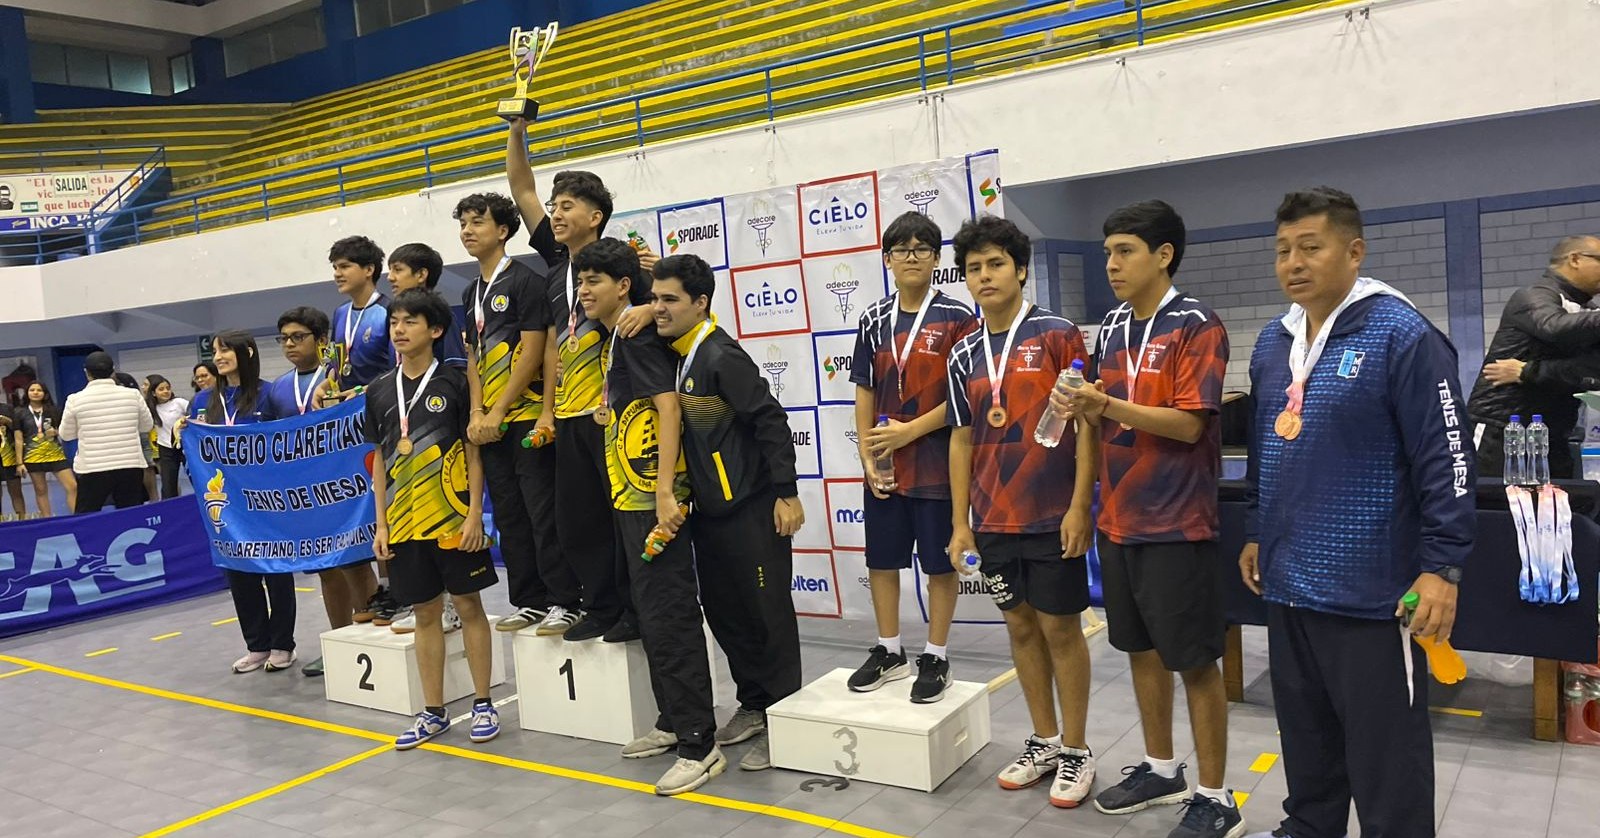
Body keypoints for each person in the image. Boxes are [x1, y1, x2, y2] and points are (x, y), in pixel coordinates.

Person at [1239, 188, 1473, 838]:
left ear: (1354, 251)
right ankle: (1309, 828)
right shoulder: (1273, 341)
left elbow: (1448, 459)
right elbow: (1262, 448)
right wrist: (1256, 528)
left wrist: (1443, 567)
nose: (1293, 263)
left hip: (1374, 594)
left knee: (1385, 757)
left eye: (1310, 247)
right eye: (1283, 250)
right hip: (1289, 583)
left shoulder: (1402, 334)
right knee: (1307, 739)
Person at [1054, 201, 1241, 837]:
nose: (1111, 264)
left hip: (1177, 522)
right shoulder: (1109, 327)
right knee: (1139, 649)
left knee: (1194, 661)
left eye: (1125, 251)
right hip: (1118, 519)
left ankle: (1216, 795)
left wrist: (1105, 404)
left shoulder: (1196, 324)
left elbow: (1188, 425)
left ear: (1163, 255)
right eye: (1108, 252)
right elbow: (1092, 421)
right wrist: (1082, 501)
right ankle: (1162, 768)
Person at [945, 215, 1098, 807]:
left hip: (1051, 511)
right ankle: (1044, 740)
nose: (984, 276)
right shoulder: (963, 352)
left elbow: (1087, 424)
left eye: (995, 264)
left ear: (1020, 270)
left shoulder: (1058, 334)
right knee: (1020, 626)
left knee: (1060, 628)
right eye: (973, 268)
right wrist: (960, 523)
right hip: (992, 517)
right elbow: (961, 437)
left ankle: (1077, 750)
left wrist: (1080, 504)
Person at [579, 239, 724, 794]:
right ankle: (673, 721)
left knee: (669, 616)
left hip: (652, 503)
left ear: (623, 287)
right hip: (629, 499)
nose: (583, 291)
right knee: (651, 613)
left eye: (594, 281)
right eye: (580, 281)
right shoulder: (618, 336)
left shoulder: (636, 337)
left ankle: (700, 744)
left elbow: (668, 408)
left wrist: (665, 492)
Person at [651, 253, 805, 772]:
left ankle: (783, 720)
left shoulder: (720, 355)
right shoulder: (679, 356)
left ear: (700, 303)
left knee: (767, 617)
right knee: (726, 615)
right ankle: (754, 704)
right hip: (710, 514)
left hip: (752, 509)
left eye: (670, 299)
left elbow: (770, 421)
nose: (659, 308)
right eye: (655, 298)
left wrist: (786, 493)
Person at [510, 138, 649, 642]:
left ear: (596, 217)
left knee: (622, 519)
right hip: (569, 417)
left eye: (567, 206)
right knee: (578, 522)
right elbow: (521, 188)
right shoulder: (555, 271)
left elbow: (673, 311)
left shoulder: (624, 267)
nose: (555, 213)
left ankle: (634, 610)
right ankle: (601, 606)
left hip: (614, 417)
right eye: (555, 206)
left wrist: (648, 303)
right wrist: (517, 128)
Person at [848, 211, 979, 702]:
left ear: (936, 259)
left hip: (938, 463)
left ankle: (936, 655)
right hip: (886, 463)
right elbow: (864, 389)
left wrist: (910, 432)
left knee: (939, 566)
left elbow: (964, 396)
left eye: (922, 249)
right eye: (901, 249)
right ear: (887, 259)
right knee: (882, 561)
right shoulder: (873, 318)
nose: (911, 257)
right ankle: (889, 650)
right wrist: (867, 454)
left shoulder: (957, 319)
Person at [368, 289, 501, 750]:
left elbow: (472, 451)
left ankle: (483, 703)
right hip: (404, 523)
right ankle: (433, 712)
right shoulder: (378, 390)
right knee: (425, 613)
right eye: (394, 322)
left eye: (410, 321)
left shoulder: (456, 382)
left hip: (452, 518)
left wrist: (475, 513)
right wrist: (382, 524)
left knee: (468, 606)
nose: (399, 330)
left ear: (435, 329)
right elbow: (380, 460)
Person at [452, 192, 581, 637]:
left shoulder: (526, 282)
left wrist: (501, 409)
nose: (468, 231)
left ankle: (566, 600)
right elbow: (473, 357)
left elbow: (533, 351)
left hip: (524, 417)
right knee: (509, 516)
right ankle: (529, 600)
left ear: (503, 230)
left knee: (542, 512)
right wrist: (476, 411)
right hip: (489, 424)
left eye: (477, 222)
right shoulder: (470, 292)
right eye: (463, 224)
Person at [262, 306, 381, 678]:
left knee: (356, 562)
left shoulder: (339, 377)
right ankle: (339, 644)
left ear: (323, 340)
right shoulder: (279, 388)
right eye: (284, 338)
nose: (289, 345)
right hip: (308, 493)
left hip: (348, 487)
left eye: (298, 337)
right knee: (326, 570)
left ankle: (373, 641)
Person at [189, 330, 298, 674]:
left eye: (225, 350)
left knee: (276, 572)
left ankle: (282, 644)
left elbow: (287, 443)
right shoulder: (203, 401)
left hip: (267, 502)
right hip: (226, 504)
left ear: (247, 352)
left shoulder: (270, 395)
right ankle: (257, 645)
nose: (218, 357)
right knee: (239, 573)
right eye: (215, 351)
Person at [1468, 234, 1600, 479]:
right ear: (1575, 259)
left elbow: (1593, 369)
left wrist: (1528, 371)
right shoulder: (1533, 295)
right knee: (1490, 499)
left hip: (1552, 434)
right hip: (1501, 429)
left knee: (1559, 502)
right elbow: (1553, 327)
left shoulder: (1589, 313)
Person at [327, 235, 403, 627]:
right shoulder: (340, 314)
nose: (337, 274)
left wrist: (361, 391)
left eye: (344, 266)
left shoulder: (389, 311)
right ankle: (380, 592)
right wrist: (326, 384)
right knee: (361, 507)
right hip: (347, 429)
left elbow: (398, 368)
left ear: (369, 269)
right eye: (335, 267)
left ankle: (396, 588)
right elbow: (334, 363)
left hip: (384, 419)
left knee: (385, 503)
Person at [58, 352, 153, 513]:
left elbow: (66, 435)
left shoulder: (75, 399)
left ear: (86, 372)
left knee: (87, 516)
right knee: (131, 515)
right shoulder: (133, 395)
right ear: (113, 370)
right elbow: (146, 426)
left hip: (91, 467)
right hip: (130, 464)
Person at [387, 242, 470, 370]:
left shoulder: (440, 316)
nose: (390, 277)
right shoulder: (393, 318)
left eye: (398, 270)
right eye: (394, 323)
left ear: (421, 274)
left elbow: (457, 368)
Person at [13, 381, 76, 517]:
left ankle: (77, 517)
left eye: (39, 390)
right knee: (41, 491)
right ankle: (48, 521)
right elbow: (18, 439)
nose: (35, 392)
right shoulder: (19, 412)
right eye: (32, 390)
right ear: (27, 393)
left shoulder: (54, 410)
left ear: (45, 393)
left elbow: (66, 429)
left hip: (56, 455)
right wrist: (19, 463)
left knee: (72, 486)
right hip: (33, 457)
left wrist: (56, 432)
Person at [114, 371, 158, 502]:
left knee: (149, 467)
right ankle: (151, 499)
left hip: (141, 435)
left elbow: (147, 423)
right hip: (129, 436)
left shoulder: (132, 395)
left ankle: (154, 499)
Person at [146, 375, 188, 499]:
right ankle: (170, 507)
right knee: (168, 485)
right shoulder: (150, 408)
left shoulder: (179, 402)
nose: (166, 391)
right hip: (166, 448)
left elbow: (195, 414)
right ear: (153, 393)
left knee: (196, 477)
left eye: (168, 388)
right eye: (161, 389)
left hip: (185, 446)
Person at [0, 410, 26, 519]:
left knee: (16, 492)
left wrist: (8, 422)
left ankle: (22, 521)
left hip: (10, 457)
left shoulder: (7, 409)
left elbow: (20, 431)